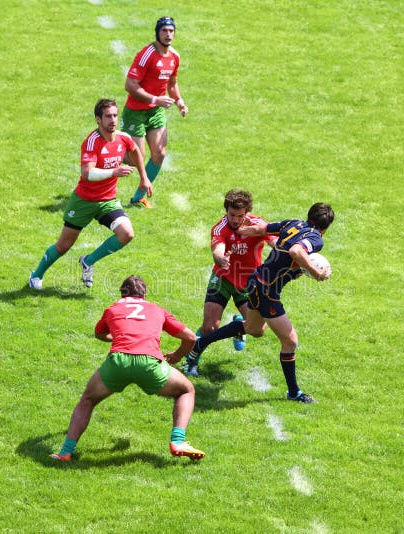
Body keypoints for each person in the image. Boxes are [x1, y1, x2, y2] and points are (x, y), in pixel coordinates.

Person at [184, 203, 335, 403]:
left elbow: (263, 229)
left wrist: (239, 230)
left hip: (256, 281)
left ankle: (202, 342)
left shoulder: (294, 224)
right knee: (290, 341)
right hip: (267, 292)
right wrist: (316, 273)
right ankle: (294, 393)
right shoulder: (315, 238)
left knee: (253, 329)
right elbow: (297, 252)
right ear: (325, 227)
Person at [50, 275, 205, 462]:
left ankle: (65, 452)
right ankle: (178, 441)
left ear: (122, 294)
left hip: (118, 362)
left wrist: (117, 336)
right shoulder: (157, 309)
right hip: (149, 363)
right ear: (144, 294)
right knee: (186, 390)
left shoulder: (113, 309)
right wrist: (178, 355)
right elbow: (190, 337)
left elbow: (99, 333)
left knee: (88, 400)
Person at [28, 99, 151, 290]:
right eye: (108, 116)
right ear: (98, 119)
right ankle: (36, 276)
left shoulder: (123, 138)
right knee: (63, 246)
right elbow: (87, 173)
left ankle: (88, 261)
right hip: (84, 201)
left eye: (115, 115)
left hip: (107, 200)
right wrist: (114, 172)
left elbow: (135, 152)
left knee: (127, 234)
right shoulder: (92, 141)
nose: (113, 120)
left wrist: (144, 178)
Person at [185, 189, 276, 377]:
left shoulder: (258, 225)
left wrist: (286, 252)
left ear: (247, 213)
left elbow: (274, 241)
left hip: (249, 282)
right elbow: (218, 249)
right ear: (226, 211)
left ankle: (238, 326)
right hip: (223, 279)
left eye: (240, 216)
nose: (235, 220)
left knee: (258, 331)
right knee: (210, 327)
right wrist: (221, 259)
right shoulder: (220, 228)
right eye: (231, 215)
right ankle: (192, 361)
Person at [121, 16, 188, 209]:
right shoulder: (147, 54)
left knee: (159, 153)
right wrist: (154, 99)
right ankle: (110, 154)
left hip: (156, 112)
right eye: (164, 31)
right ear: (157, 33)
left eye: (171, 31)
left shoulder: (174, 56)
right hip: (136, 112)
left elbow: (172, 84)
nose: (168, 34)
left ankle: (138, 198)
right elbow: (130, 85)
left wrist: (180, 102)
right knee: (137, 158)